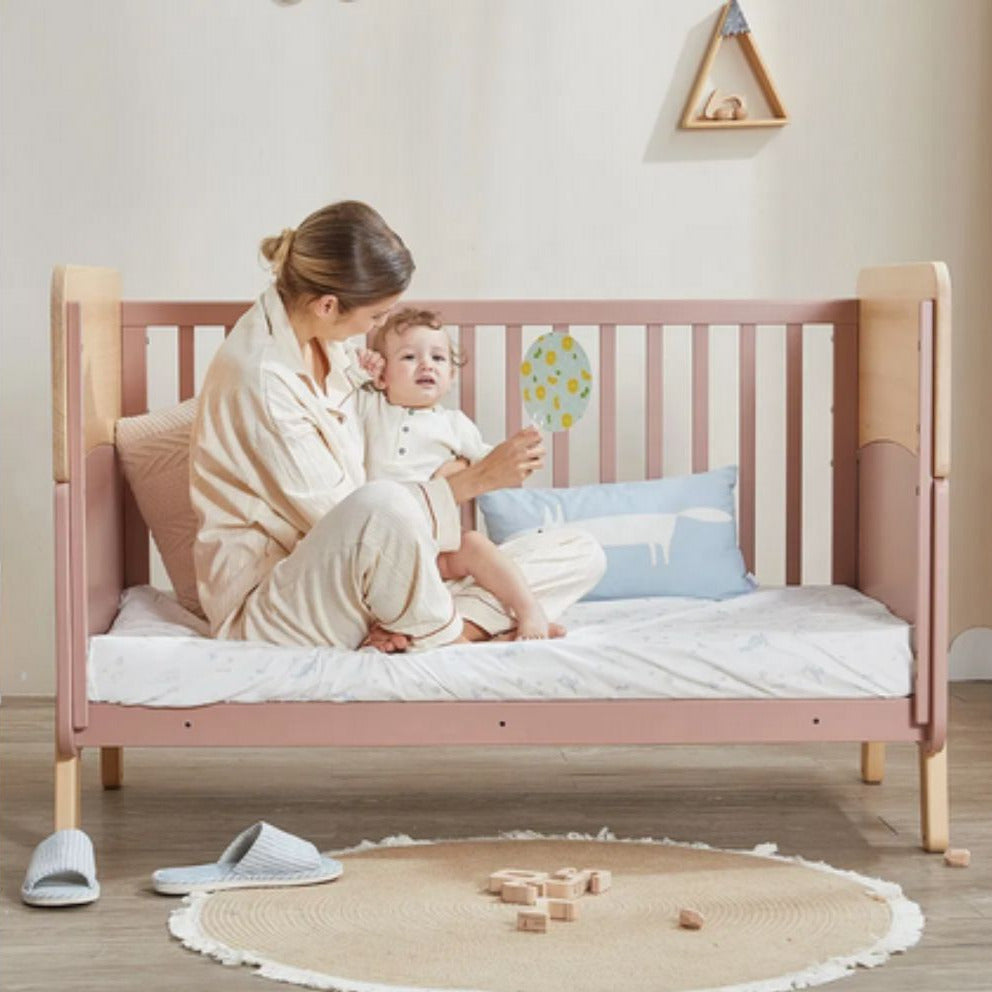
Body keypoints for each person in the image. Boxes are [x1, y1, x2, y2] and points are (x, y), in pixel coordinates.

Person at [189, 200, 605, 653]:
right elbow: (354, 517)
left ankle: (436, 624)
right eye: (375, 317)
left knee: (579, 551)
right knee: (385, 503)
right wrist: (471, 481)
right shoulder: (263, 379)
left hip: (374, 567)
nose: (380, 327)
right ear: (328, 305)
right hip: (284, 601)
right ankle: (451, 635)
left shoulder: (325, 341)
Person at [352, 307, 558, 640]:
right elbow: (338, 388)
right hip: (384, 554)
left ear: (451, 376)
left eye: (438, 357)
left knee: (475, 544)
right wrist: (362, 370)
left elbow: (491, 463)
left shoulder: (454, 424)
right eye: (408, 357)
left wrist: (522, 451)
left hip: (440, 551)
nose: (426, 364)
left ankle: (528, 609)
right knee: (374, 593)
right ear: (384, 375)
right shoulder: (369, 409)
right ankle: (429, 626)